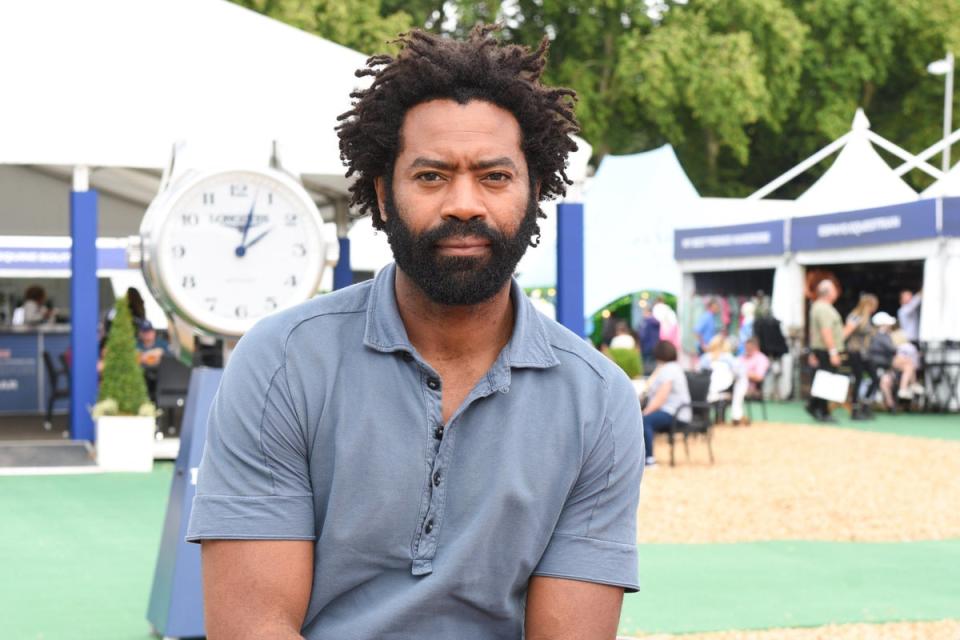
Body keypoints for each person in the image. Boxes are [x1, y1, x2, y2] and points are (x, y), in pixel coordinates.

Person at [186, 26, 644, 640]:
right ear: (381, 194)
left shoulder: (598, 400)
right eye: (431, 176)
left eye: (494, 177)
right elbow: (253, 627)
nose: (463, 203)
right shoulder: (282, 362)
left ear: (534, 192)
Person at [641, 340, 691, 467]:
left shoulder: (668, 370)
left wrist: (646, 412)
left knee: (644, 421)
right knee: (644, 419)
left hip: (674, 413)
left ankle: (649, 458)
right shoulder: (673, 368)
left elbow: (661, 397)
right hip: (676, 411)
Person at [806, 279, 844, 423]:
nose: (837, 292)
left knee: (822, 380)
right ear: (828, 292)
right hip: (825, 350)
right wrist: (833, 352)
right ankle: (822, 410)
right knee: (826, 381)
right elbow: (825, 331)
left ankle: (815, 406)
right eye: (834, 289)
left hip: (821, 349)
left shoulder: (818, 307)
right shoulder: (823, 308)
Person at [844, 294, 879, 420]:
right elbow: (845, 333)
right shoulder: (855, 317)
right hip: (855, 352)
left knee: (875, 378)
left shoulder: (867, 319)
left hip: (864, 353)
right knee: (858, 379)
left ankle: (865, 405)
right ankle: (855, 410)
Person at [866, 312, 897, 412]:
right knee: (881, 382)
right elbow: (892, 349)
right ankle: (888, 404)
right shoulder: (879, 335)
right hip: (878, 365)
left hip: (883, 365)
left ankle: (887, 403)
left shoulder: (880, 335)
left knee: (884, 382)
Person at [738, 337, 770, 422]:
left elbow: (759, 377)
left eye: (750, 348)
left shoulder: (761, 358)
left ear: (756, 347)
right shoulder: (742, 357)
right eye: (746, 347)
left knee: (737, 390)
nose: (747, 350)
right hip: (737, 384)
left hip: (752, 388)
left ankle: (738, 417)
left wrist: (744, 374)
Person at [639, 305, 661, 374]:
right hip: (656, 346)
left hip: (646, 346)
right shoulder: (657, 322)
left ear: (648, 312)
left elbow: (643, 335)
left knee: (645, 365)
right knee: (654, 364)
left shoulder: (645, 322)